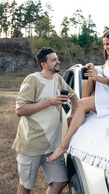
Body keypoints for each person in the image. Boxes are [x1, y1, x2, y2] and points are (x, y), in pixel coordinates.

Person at [47, 29, 109, 162]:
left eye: (108, 44)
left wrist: (97, 76)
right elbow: (103, 75)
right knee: (88, 74)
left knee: (81, 102)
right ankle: (82, 110)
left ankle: (64, 145)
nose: (106, 47)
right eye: (104, 44)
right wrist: (93, 70)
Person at [12, 47, 78, 194]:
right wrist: (49, 102)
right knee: (26, 187)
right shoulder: (32, 79)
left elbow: (74, 97)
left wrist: (73, 114)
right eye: (54, 59)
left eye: (57, 59)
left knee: (61, 181)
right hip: (31, 144)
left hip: (52, 145)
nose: (58, 61)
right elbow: (20, 110)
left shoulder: (58, 79)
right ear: (43, 64)